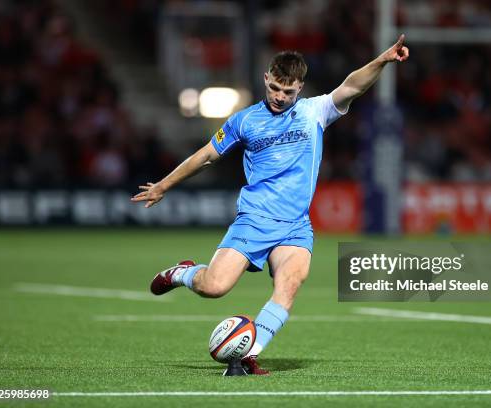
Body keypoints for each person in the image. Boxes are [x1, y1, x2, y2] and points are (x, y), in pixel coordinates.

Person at [131, 35, 409, 375]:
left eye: (288, 92)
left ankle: (248, 355)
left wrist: (382, 60)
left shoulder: (313, 112)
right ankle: (182, 272)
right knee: (214, 287)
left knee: (290, 283)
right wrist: (163, 185)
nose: (280, 97)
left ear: (300, 88)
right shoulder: (244, 121)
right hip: (255, 219)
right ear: (266, 79)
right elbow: (206, 156)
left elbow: (352, 86)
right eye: (275, 88)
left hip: (295, 225)